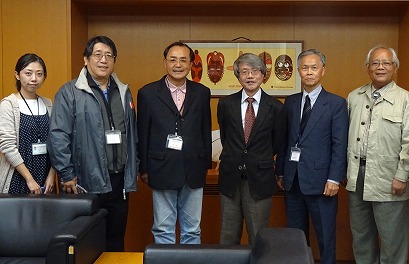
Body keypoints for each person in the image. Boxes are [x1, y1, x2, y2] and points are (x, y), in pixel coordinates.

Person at [47, 36, 138, 252]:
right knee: (86, 243)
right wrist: (67, 173)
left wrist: (133, 169)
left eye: (109, 55)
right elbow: (58, 135)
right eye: (98, 55)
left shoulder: (123, 92)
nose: (103, 60)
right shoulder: (70, 92)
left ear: (114, 61)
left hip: (119, 181)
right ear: (86, 60)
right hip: (84, 181)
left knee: (115, 240)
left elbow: (132, 134)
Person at [346, 45, 409, 264]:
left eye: (386, 63)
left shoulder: (408, 101)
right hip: (356, 176)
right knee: (361, 236)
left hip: (390, 178)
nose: (380, 67)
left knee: (392, 239)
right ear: (367, 67)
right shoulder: (354, 97)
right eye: (375, 63)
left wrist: (402, 176)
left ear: (395, 67)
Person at [275, 49, 348, 264]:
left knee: (325, 236)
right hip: (293, 180)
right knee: (295, 238)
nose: (309, 72)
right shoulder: (290, 102)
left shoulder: (336, 103)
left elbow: (339, 144)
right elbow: (285, 140)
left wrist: (334, 178)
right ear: (298, 71)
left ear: (323, 71)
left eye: (314, 68)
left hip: (322, 182)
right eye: (305, 68)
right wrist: (280, 171)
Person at [137, 42, 212, 244]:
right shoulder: (148, 93)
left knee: (192, 230)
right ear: (165, 63)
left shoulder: (202, 92)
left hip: (193, 168)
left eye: (183, 60)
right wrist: (143, 167)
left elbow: (205, 129)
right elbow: (143, 132)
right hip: (161, 167)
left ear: (190, 64)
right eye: (172, 60)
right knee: (163, 229)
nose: (177, 64)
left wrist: (205, 164)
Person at [217, 53, 285, 245]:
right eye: (244, 72)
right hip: (230, 179)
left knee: (258, 235)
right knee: (228, 235)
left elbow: (277, 142)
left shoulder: (276, 107)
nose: (250, 76)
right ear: (238, 76)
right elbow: (226, 137)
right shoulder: (225, 104)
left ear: (263, 75)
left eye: (254, 71)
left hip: (260, 180)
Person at [0, 53, 55, 194]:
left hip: (45, 177)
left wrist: (52, 175)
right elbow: (7, 146)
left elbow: (57, 143)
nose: (34, 79)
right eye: (28, 73)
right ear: (17, 75)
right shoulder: (8, 104)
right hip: (18, 177)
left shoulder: (48, 104)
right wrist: (29, 179)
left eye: (39, 74)